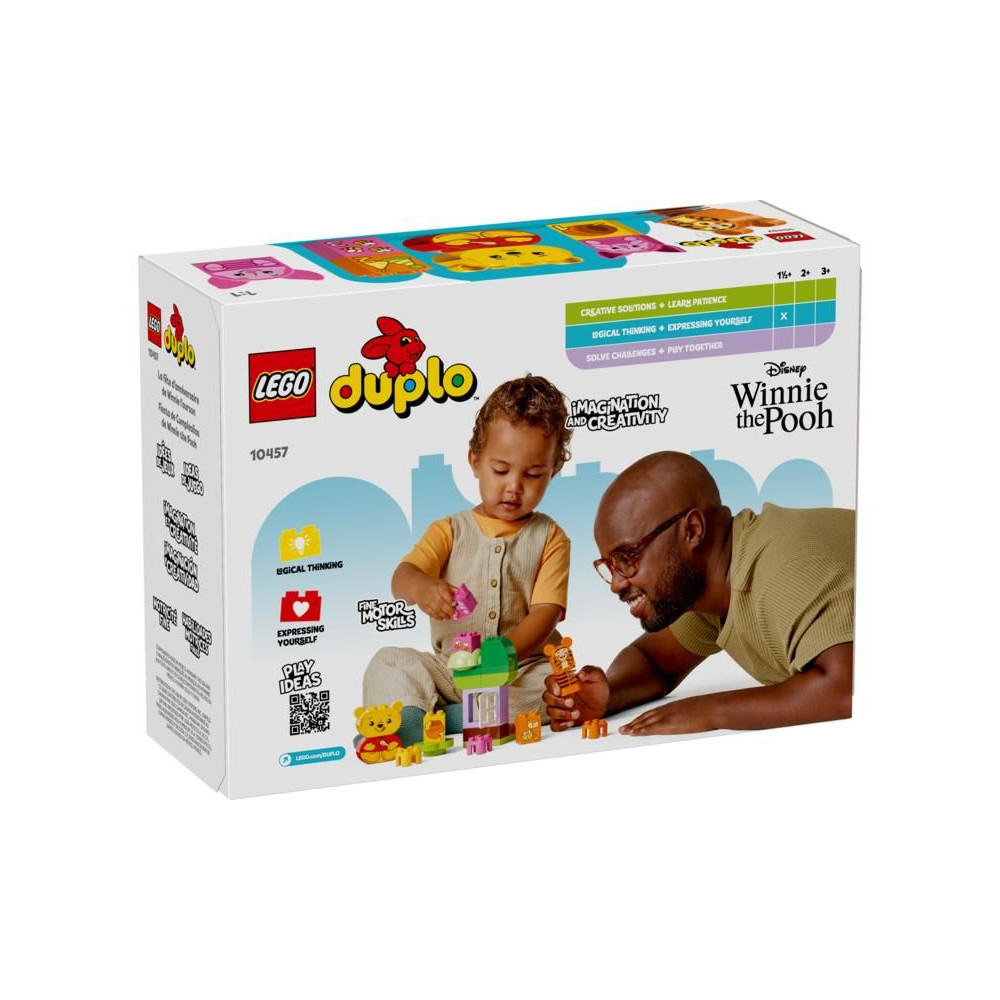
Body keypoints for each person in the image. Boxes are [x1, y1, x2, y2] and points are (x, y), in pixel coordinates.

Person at [545, 451, 854, 735]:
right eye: (609, 566)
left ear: (692, 530)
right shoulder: (713, 586)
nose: (616, 584)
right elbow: (653, 661)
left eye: (627, 558)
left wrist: (712, 710)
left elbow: (845, 692)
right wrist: (609, 694)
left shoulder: (784, 572)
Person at [363, 375, 572, 747]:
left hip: (518, 671)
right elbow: (402, 576)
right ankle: (411, 715)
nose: (514, 486)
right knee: (388, 661)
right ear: (475, 461)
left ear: (553, 469)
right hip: (451, 671)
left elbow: (547, 612)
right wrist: (422, 588)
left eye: (533, 474)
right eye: (501, 469)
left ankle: (454, 718)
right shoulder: (449, 530)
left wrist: (506, 653)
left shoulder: (551, 538)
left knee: (552, 689)